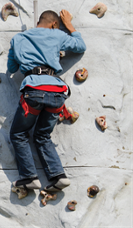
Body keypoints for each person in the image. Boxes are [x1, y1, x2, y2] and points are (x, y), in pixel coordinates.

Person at [7, 10, 86, 192]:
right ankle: (59, 176)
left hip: (34, 91)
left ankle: (29, 177)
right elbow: (80, 46)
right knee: (42, 136)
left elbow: (12, 68)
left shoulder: (18, 38)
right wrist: (69, 26)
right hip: (57, 92)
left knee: (19, 134)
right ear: (54, 23)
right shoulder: (57, 34)